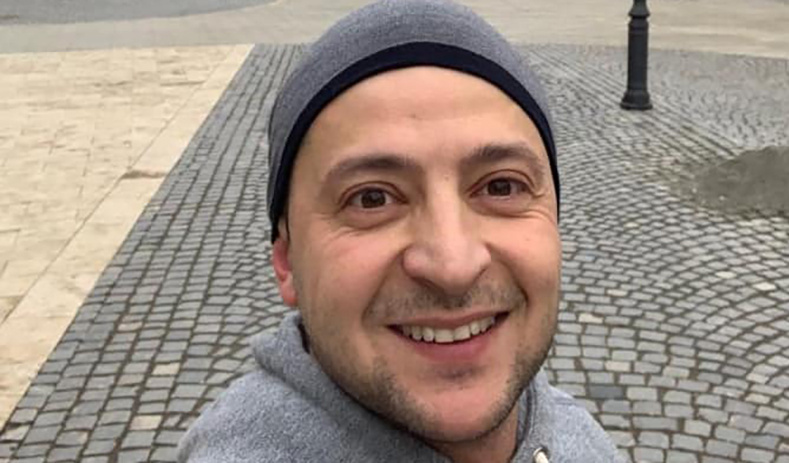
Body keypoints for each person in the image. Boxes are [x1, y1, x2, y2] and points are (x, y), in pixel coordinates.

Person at [178, 0, 622, 461]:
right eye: (372, 198)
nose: (453, 265)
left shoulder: (578, 433)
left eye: (501, 186)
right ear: (287, 261)